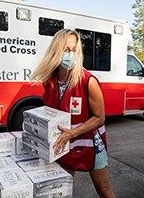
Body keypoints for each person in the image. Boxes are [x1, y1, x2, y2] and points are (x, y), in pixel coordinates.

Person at [30, 29, 116, 198]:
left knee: (104, 190)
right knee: (61, 190)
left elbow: (100, 118)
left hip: (91, 144)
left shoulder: (88, 81)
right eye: (65, 50)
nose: (70, 55)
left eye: (73, 50)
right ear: (56, 51)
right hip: (64, 144)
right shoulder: (49, 82)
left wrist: (72, 133)